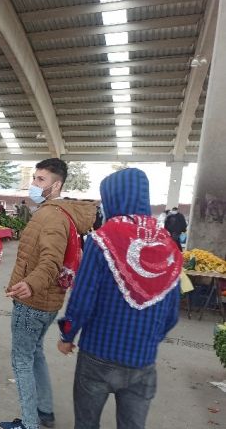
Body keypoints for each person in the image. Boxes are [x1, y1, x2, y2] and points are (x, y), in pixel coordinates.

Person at [57, 168, 182, 429]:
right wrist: (148, 340)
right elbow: (172, 313)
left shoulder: (102, 239)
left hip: (98, 354)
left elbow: (83, 298)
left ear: (112, 198)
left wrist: (67, 335)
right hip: (142, 360)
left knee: (86, 424)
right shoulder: (169, 246)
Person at [0, 158, 95, 429]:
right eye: (34, 178)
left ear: (56, 185)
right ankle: (44, 411)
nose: (33, 184)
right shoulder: (61, 213)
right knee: (35, 353)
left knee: (21, 360)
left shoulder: (51, 215)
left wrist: (31, 284)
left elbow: (51, 261)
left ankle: (29, 423)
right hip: (49, 301)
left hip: (33, 301)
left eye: (40, 179)